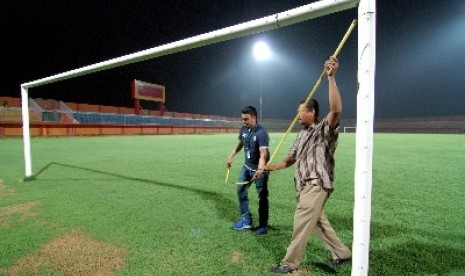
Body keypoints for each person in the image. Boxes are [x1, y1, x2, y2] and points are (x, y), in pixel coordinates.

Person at [267, 56, 352, 273]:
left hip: (316, 183)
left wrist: (331, 78)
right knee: (317, 223)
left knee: (302, 222)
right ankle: (342, 253)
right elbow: (291, 158)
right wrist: (271, 167)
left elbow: (336, 110)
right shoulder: (301, 134)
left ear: (311, 112)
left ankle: (289, 263)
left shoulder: (323, 129)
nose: (297, 116)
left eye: (300, 111)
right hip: (303, 185)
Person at [226, 105, 270, 235]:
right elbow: (240, 144)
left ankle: (263, 225)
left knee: (262, 197)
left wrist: (261, 168)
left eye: (246, 119)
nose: (243, 122)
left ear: (254, 118)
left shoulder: (262, 133)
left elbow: (263, 153)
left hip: (259, 169)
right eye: (242, 119)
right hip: (246, 167)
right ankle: (246, 221)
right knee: (241, 190)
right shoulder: (244, 129)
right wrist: (231, 156)